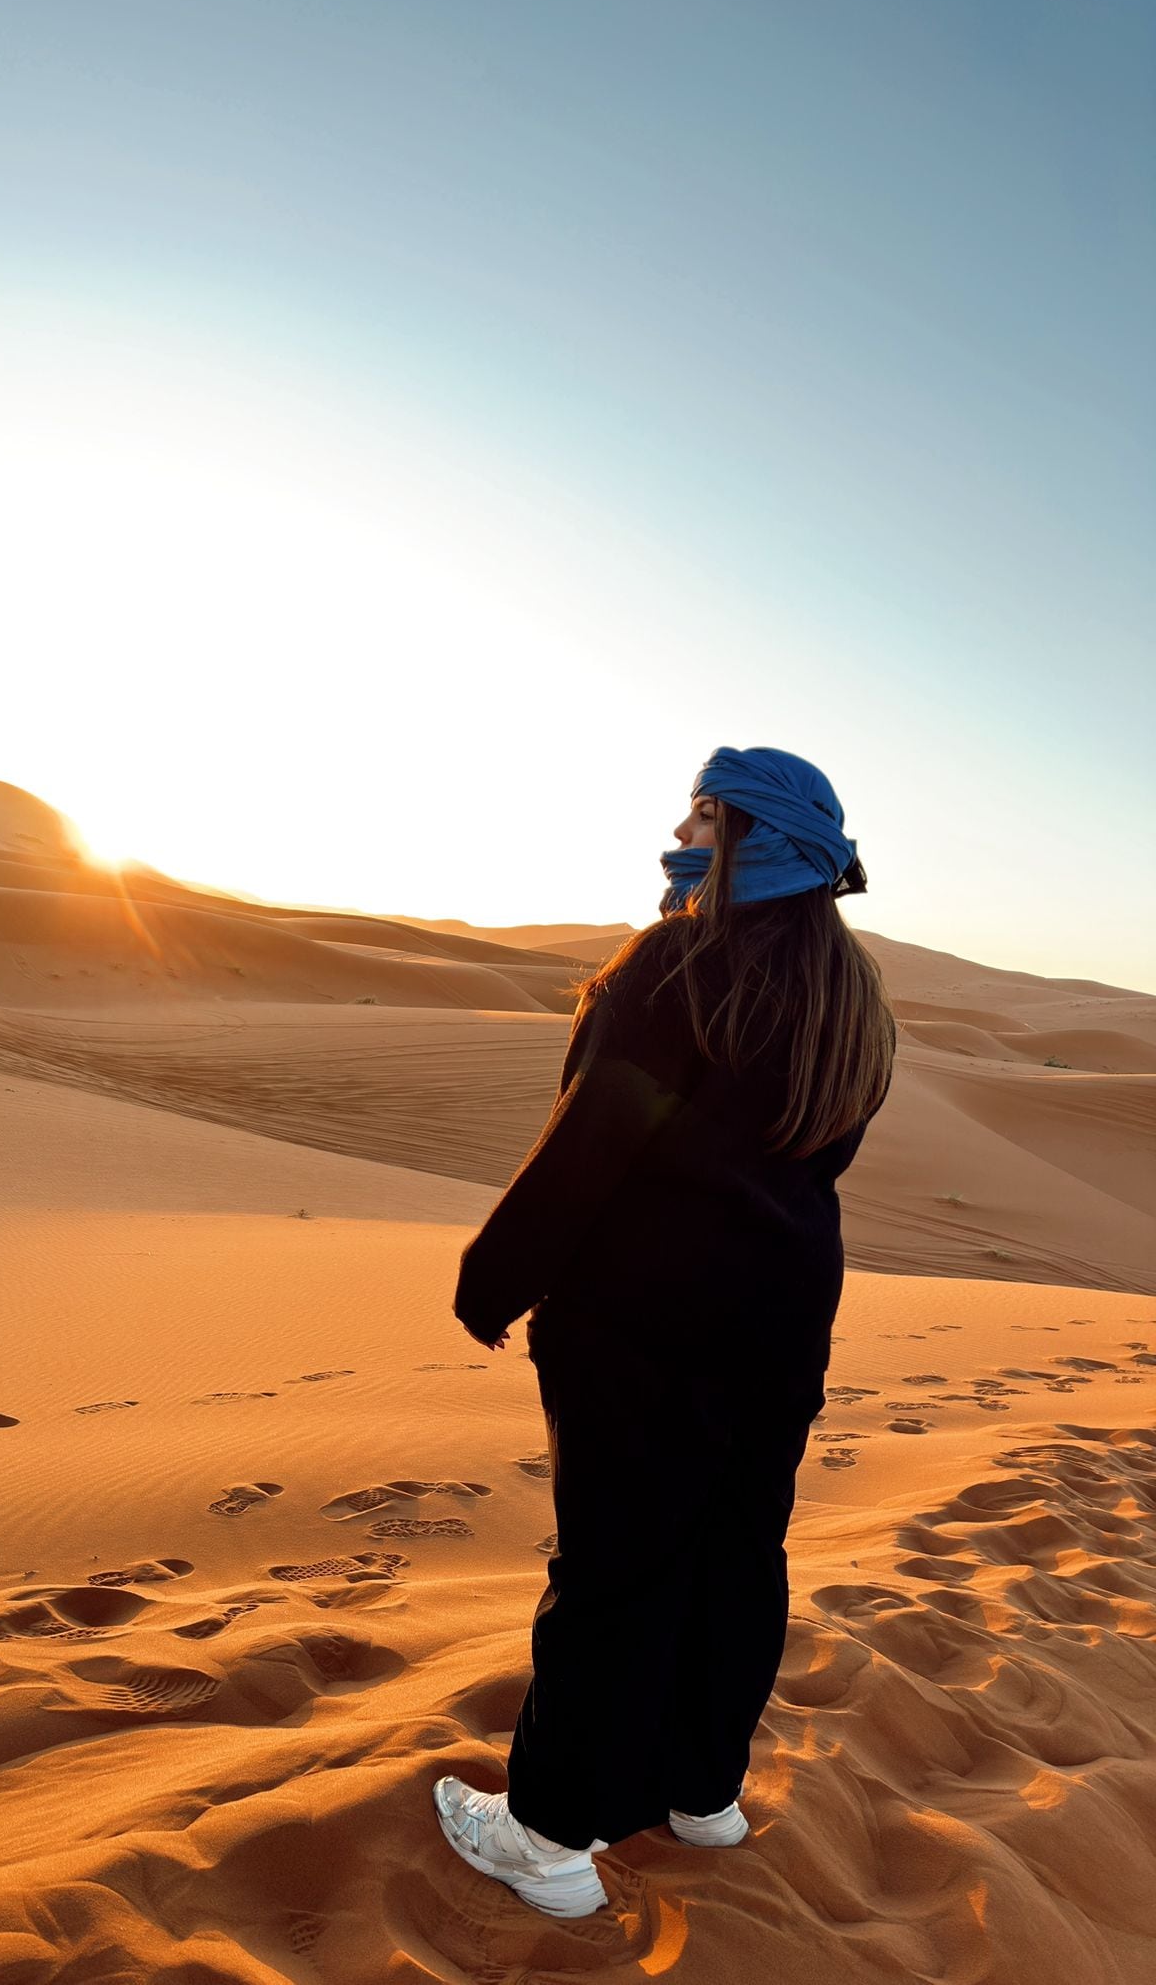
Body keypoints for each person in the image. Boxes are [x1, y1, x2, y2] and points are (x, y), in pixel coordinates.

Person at [432, 745, 896, 1919]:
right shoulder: (849, 992)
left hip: (642, 1327)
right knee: (738, 1551)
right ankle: (703, 1790)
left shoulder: (673, 964)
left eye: (700, 811)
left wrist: (494, 1277)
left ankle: (543, 1833)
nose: (679, 830)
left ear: (748, 830)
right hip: (782, 1325)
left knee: (613, 1568)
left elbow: (595, 1139)